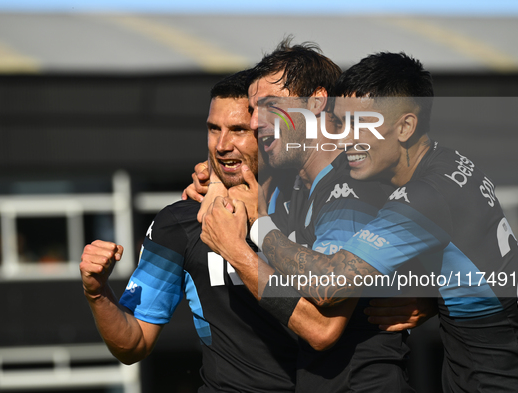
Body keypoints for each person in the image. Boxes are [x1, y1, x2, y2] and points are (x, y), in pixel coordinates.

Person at [201, 52, 518, 392]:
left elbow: (328, 287)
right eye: (342, 123)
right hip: (509, 373)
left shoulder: (424, 198)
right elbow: (471, 254)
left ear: (405, 126)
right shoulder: (449, 165)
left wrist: (256, 228)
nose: (347, 137)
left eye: (361, 124)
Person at [79, 70, 354, 392]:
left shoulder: (325, 207)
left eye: (238, 130)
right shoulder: (180, 221)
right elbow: (133, 343)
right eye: (213, 129)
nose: (222, 145)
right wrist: (97, 292)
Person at [200, 40, 428, 393]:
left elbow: (323, 324)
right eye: (253, 109)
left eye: (270, 106)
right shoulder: (298, 184)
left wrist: (238, 249)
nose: (256, 121)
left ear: (317, 102)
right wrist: (214, 178)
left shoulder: (352, 185)